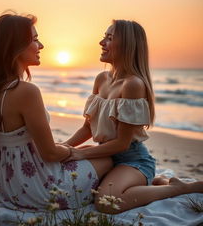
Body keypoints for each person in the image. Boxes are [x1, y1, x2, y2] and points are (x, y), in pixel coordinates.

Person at [0, 13, 113, 211]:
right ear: (15, 47)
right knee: (107, 159)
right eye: (35, 40)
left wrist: (75, 150)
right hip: (34, 188)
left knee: (87, 151)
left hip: (1, 182)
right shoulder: (26, 91)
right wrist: (71, 151)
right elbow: (50, 153)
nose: (41, 46)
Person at [62, 19, 203, 214]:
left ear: (127, 46)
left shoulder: (133, 84)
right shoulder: (101, 79)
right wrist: (64, 147)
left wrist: (79, 153)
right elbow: (88, 128)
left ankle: (178, 188)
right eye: (104, 37)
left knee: (106, 202)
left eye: (109, 38)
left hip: (133, 161)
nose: (101, 43)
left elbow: (122, 144)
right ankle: (157, 182)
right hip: (104, 156)